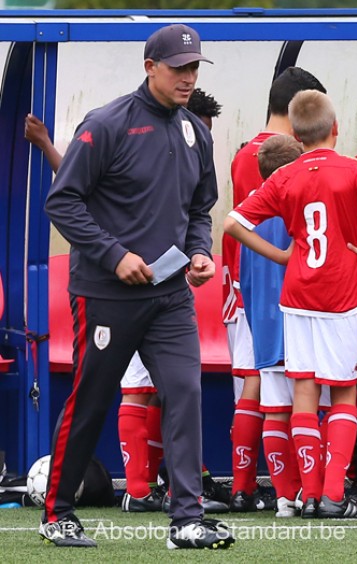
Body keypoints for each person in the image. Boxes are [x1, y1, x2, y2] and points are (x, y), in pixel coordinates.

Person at [40, 24, 234, 549]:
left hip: (171, 295)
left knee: (186, 392)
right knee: (92, 399)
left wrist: (200, 251)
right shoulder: (105, 124)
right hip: (105, 295)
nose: (188, 78)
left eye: (194, 68)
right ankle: (57, 511)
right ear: (150, 67)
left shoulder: (197, 131)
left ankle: (186, 519)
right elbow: (62, 201)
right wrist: (114, 255)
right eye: (178, 68)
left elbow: (200, 209)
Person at [224, 90, 357, 519]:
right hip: (340, 296)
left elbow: (233, 224)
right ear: (335, 128)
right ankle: (333, 494)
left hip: (297, 295)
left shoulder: (285, 176)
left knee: (303, 392)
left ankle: (307, 495)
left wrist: (283, 256)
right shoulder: (354, 169)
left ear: (297, 135)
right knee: (342, 393)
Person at [224, 67, 327, 512]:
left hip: (247, 282)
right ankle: (297, 488)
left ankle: (257, 487)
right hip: (283, 287)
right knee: (281, 388)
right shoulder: (289, 159)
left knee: (264, 387)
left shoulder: (246, 152)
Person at [239, 134, 304, 518]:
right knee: (310, 411)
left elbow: (245, 278)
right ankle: (313, 490)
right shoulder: (300, 207)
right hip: (302, 320)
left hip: (264, 323)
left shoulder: (249, 214)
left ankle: (284, 498)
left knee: (277, 410)